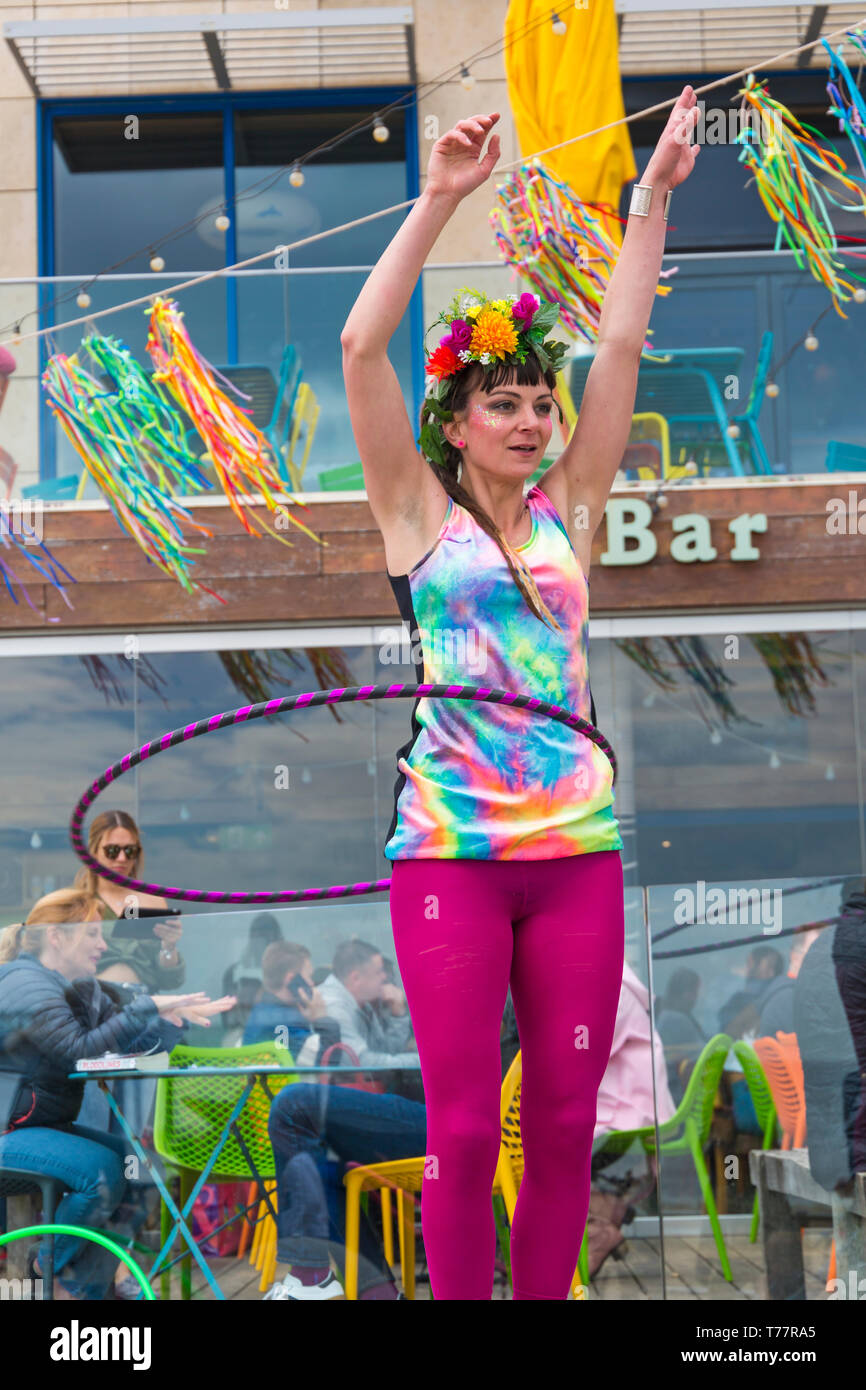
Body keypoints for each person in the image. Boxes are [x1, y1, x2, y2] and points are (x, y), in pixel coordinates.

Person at [340, 92, 701, 1300]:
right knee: (453, 1130)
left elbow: (620, 348)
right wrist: (440, 199)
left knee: (557, 1126)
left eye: (538, 403)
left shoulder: (573, 515)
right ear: (454, 420)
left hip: (575, 853)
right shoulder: (414, 515)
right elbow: (358, 347)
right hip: (449, 849)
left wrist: (647, 200)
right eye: (504, 402)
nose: (534, 418)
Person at [0, 887, 234, 1300]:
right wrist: (149, 1006)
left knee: (136, 1167)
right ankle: (49, 1266)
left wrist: (171, 1020)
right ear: (57, 936)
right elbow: (78, 1052)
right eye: (93, 934)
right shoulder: (25, 983)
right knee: (102, 1170)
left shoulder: (76, 988)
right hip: (8, 1132)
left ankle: (74, 1290)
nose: (104, 944)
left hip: (37, 1126)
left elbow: (128, 1039)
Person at [72, 808, 185, 993]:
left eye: (130, 850)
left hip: (145, 1007)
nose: (122, 858)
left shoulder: (153, 901)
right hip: (95, 1006)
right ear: (93, 852)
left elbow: (170, 981)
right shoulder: (77, 902)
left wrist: (169, 947)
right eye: (112, 850)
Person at [242, 940, 340, 1063]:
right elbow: (325, 1065)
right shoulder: (283, 1021)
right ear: (292, 979)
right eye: (309, 976)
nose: (312, 983)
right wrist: (322, 1019)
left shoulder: (264, 1010)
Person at [222, 913, 284, 1040]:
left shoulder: (289, 973)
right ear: (251, 939)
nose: (263, 943)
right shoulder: (234, 973)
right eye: (258, 937)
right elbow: (228, 1020)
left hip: (283, 1034)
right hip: (242, 1038)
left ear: (279, 940)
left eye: (269, 937)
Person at [655, 968, 706, 1104]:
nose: (697, 998)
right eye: (695, 992)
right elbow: (706, 1054)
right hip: (679, 1093)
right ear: (686, 993)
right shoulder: (674, 1019)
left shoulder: (671, 1015)